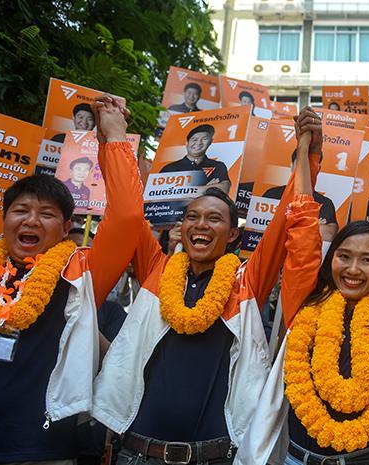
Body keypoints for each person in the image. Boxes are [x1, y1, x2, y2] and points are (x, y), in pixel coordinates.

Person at [92, 107, 324, 465]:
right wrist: (113, 142)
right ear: (181, 228)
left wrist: (309, 155)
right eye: (192, 217)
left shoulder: (245, 282)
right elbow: (127, 212)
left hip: (215, 456)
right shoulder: (157, 270)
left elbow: (283, 223)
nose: (200, 225)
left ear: (233, 235)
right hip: (138, 453)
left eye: (214, 218)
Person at [235, 123, 369, 465]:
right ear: (330, 258)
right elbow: (303, 229)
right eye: (344, 256)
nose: (352, 269)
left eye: (367, 260)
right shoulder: (305, 302)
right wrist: (308, 152)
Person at [0, 96, 143, 463]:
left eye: (46, 214)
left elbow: (128, 217)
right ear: (4, 221)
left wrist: (113, 137)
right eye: (20, 210)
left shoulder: (79, 275)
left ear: (67, 227)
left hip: (39, 449)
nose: (31, 221)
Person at [262, 149, 339, 242]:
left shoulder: (325, 203)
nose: (304, 169)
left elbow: (328, 235)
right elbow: (259, 227)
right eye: (300, 163)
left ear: (318, 169)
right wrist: (312, 225)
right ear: (291, 166)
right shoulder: (271, 194)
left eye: (310, 164)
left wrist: (285, 223)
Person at [160, 123, 231, 194]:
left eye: (204, 139)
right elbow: (158, 196)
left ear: (210, 142)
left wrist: (180, 192)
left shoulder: (218, 166)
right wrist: (207, 189)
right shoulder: (169, 169)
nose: (199, 143)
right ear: (187, 143)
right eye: (194, 139)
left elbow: (224, 189)